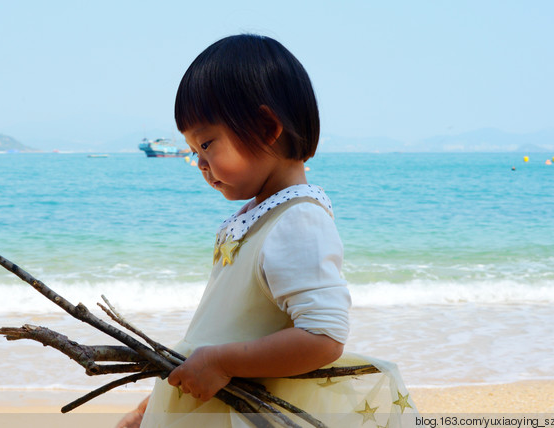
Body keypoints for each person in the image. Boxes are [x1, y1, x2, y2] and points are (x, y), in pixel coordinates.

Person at [117, 34, 416, 427]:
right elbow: (218, 328)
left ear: (265, 126)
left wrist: (221, 361)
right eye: (193, 151)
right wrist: (157, 400)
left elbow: (323, 337)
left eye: (206, 144)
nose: (200, 164)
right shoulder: (256, 216)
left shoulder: (296, 221)